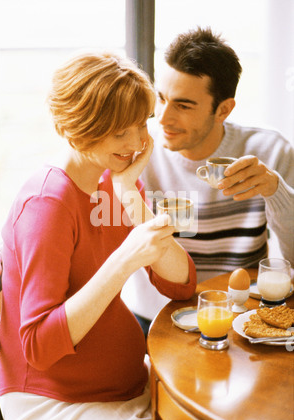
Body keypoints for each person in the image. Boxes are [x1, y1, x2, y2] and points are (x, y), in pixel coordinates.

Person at [0, 52, 197, 420]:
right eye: (121, 131)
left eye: (141, 124)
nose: (137, 142)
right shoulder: (47, 204)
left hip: (124, 384)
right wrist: (123, 261)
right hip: (55, 397)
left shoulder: (114, 181)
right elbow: (38, 345)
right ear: (78, 128)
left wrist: (130, 197)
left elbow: (180, 282)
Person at [121, 27, 294, 334]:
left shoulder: (270, 152)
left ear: (223, 109)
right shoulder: (134, 154)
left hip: (239, 317)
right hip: (153, 318)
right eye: (161, 99)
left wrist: (275, 190)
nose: (163, 119)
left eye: (183, 106)